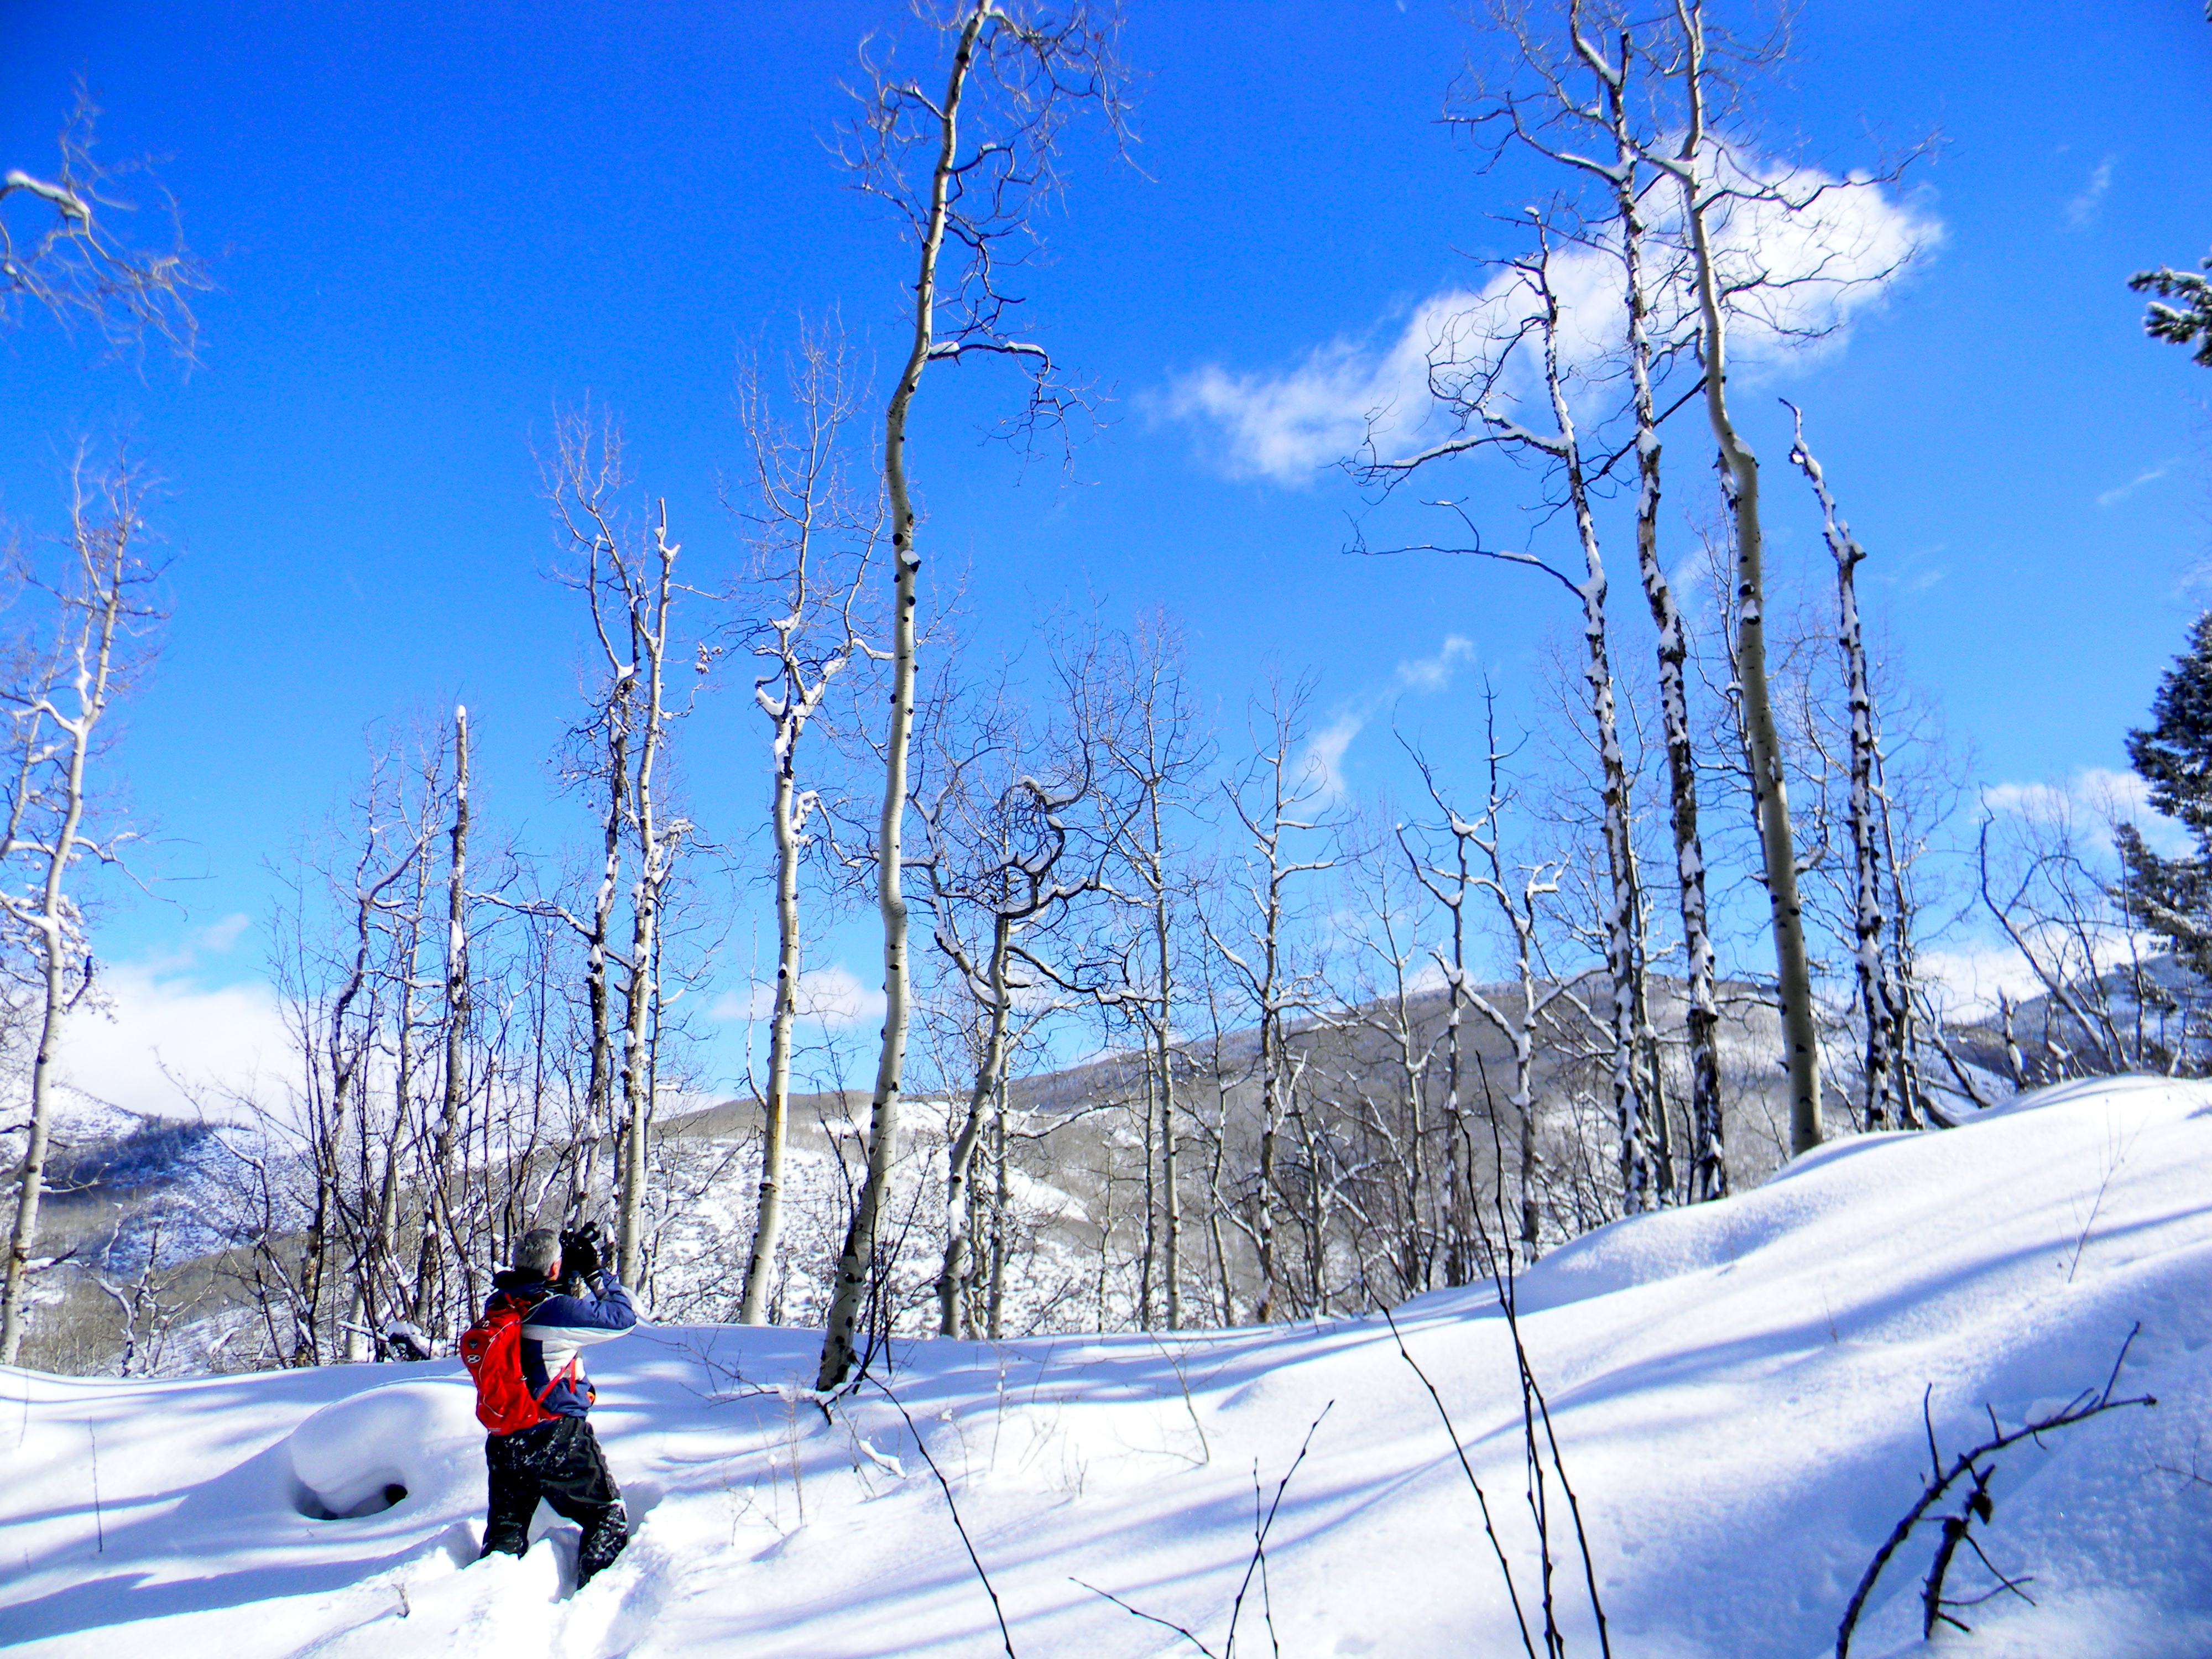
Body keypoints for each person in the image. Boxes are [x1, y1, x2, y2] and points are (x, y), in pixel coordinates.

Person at [476, 1223, 638, 1587]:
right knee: (604, 1516)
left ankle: (485, 1600)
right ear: (553, 1267)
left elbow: (540, 1304)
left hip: (506, 1435)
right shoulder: (557, 1311)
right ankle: (596, 1598)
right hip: (557, 1435)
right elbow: (622, 1320)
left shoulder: (500, 1305)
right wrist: (593, 1271)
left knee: (505, 1533)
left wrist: (560, 1274)